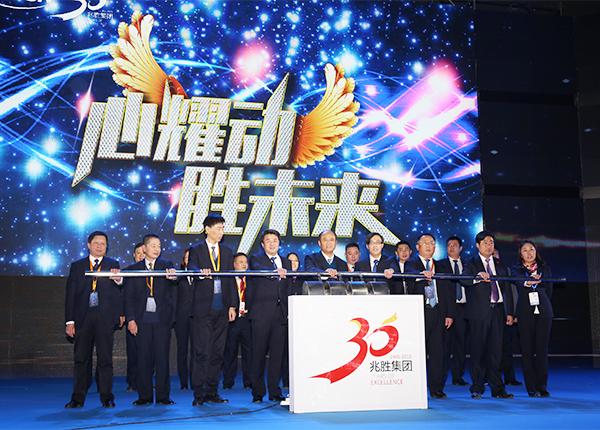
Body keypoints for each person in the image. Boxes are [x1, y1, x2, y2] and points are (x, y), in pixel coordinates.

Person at [64, 231, 123, 409]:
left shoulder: (113, 265)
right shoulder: (77, 266)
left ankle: (107, 397)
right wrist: (69, 321)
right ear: (89, 245)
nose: (99, 246)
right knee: (81, 359)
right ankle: (77, 398)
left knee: (105, 359)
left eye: (103, 243)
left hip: (105, 318)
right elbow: (70, 295)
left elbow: (118, 292)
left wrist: (119, 280)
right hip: (83, 317)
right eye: (96, 243)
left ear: (107, 246)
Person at [188, 215, 238, 406]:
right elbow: (191, 266)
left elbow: (231, 280)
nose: (221, 232)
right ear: (207, 229)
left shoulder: (227, 251)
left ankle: (212, 391)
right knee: (202, 352)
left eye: (223, 228)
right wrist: (200, 272)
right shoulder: (196, 249)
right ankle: (198, 393)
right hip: (203, 308)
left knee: (218, 352)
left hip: (222, 308)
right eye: (218, 228)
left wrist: (232, 305)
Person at [461, 231, 514, 399]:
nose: (489, 245)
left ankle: (498, 389)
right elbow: (464, 280)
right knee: (478, 352)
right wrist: (477, 277)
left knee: (497, 352)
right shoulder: (470, 263)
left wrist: (510, 312)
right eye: (485, 242)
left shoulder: (500, 264)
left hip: (498, 311)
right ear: (477, 245)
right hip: (479, 313)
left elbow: (508, 290)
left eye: (491, 242)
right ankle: (477, 388)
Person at [125, 234, 177, 406]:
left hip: (162, 319)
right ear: (144, 248)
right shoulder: (134, 269)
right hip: (141, 320)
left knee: (162, 358)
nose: (157, 249)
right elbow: (128, 297)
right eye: (153, 246)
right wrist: (131, 319)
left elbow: (174, 279)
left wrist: (173, 276)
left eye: (159, 246)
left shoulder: (166, 265)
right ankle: (144, 396)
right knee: (143, 358)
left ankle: (163, 396)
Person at [405, 233, 454, 400]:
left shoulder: (442, 267)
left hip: (439, 312)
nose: (428, 245)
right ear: (417, 247)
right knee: (417, 352)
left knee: (437, 353)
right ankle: (413, 388)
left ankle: (436, 388)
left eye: (431, 243)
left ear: (435, 247)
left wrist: (449, 314)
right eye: (424, 243)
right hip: (420, 312)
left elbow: (449, 292)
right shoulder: (411, 264)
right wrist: (421, 274)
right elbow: (410, 273)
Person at [248, 229, 292, 403]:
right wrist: (275, 271)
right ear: (262, 244)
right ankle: (258, 392)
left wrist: (288, 311)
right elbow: (258, 269)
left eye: (275, 240)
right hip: (261, 314)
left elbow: (288, 289)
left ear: (279, 243)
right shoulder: (256, 259)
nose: (272, 243)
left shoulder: (286, 262)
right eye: (268, 240)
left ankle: (274, 391)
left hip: (280, 314)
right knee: (258, 354)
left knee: (277, 355)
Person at [511, 241, 553, 398]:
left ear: (536, 252)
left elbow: (549, 292)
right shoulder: (516, 270)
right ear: (520, 254)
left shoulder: (545, 269)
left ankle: (542, 386)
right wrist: (529, 281)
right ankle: (531, 387)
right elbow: (518, 281)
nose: (529, 253)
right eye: (525, 250)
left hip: (544, 312)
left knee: (542, 351)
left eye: (531, 249)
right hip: (525, 313)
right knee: (527, 351)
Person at [440, 236, 470, 386]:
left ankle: (458, 377)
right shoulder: (440, 265)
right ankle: (441, 377)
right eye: (449, 245)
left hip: (464, 309)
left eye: (454, 245)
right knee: (444, 346)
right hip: (446, 310)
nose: (451, 248)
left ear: (461, 248)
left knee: (461, 345)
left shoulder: (468, 265)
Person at [222, 252, 253, 390]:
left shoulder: (251, 279)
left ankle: (249, 381)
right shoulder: (228, 279)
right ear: (234, 264)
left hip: (248, 319)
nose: (244, 264)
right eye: (241, 262)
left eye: (245, 262)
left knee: (249, 352)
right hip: (233, 320)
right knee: (230, 352)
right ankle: (228, 381)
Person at [125, 243, 144, 393]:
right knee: (133, 351)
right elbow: (122, 296)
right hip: (132, 316)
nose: (141, 256)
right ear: (134, 255)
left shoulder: (155, 271)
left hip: (150, 316)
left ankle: (146, 381)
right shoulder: (127, 272)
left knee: (149, 352)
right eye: (138, 253)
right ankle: (132, 381)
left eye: (144, 253)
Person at [173, 248, 194, 390]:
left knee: (196, 351)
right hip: (181, 317)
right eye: (187, 257)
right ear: (183, 260)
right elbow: (173, 297)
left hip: (197, 317)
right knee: (182, 350)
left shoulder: (200, 275)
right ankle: (183, 382)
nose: (189, 260)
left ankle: (195, 381)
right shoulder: (178, 275)